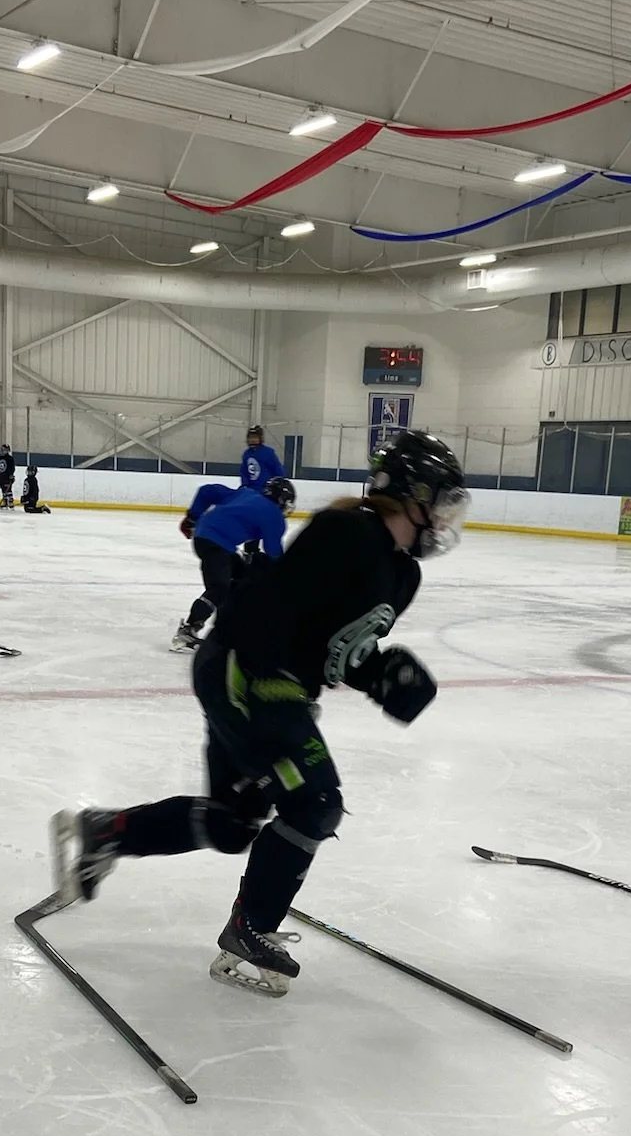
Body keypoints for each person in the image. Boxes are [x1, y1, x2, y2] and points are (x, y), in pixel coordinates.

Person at [50, 432, 468, 996]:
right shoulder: (346, 532)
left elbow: (335, 645)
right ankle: (253, 926)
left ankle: (109, 831)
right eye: (441, 502)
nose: (445, 518)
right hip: (242, 672)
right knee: (316, 801)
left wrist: (380, 676)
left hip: (264, 681)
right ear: (413, 495)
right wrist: (272, 682)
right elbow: (265, 604)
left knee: (231, 822)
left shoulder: (403, 575)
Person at [173, 476, 294, 651]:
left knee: (241, 579)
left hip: (207, 537)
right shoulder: (274, 515)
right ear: (282, 501)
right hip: (218, 544)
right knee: (220, 587)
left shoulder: (246, 493)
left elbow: (207, 491)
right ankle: (189, 629)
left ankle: (229, 627)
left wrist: (192, 517)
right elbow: (273, 551)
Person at [240, 424, 285, 493]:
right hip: (250, 491)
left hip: (265, 490)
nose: (252, 440)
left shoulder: (268, 453)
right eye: (250, 437)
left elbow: (278, 471)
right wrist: (245, 485)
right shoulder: (246, 454)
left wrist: (275, 486)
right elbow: (244, 472)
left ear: (260, 438)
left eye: (255, 437)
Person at [0, 442, 17, 509]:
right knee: (3, 489)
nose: (2, 451)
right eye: (1, 449)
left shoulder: (10, 458)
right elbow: (0, 468)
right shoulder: (0, 458)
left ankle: (10, 501)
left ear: (7, 450)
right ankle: (5, 502)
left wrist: (11, 475)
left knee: (8, 489)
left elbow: (12, 468)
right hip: (2, 476)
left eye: (4, 449)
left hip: (7, 477)